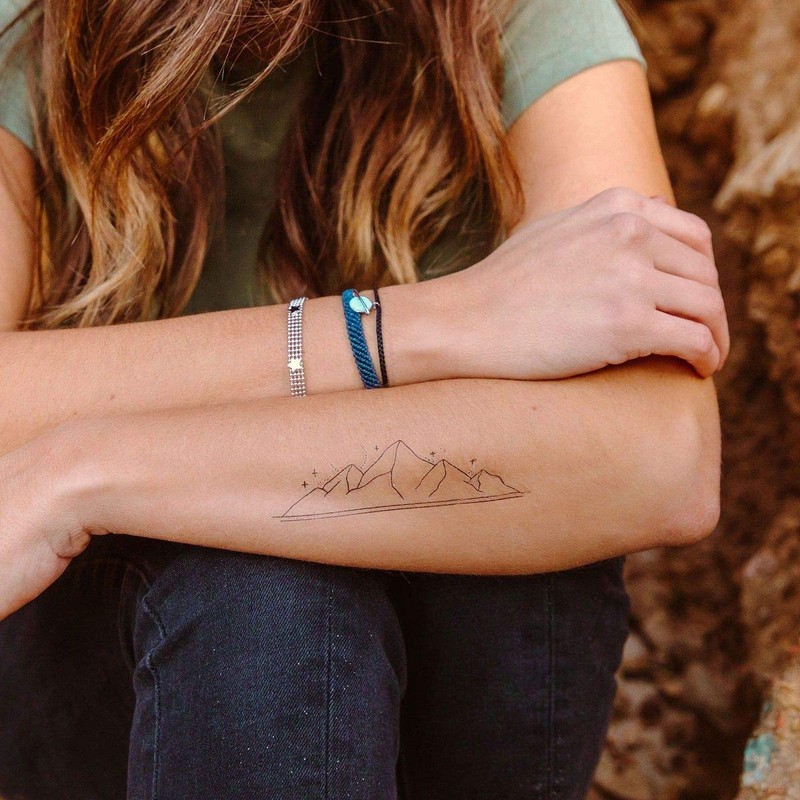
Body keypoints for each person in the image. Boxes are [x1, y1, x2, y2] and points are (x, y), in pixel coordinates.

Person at [0, 0, 728, 798]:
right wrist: (428, 326)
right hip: (108, 699)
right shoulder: (28, 27)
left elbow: (664, 459)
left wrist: (88, 467)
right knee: (261, 597)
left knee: (510, 522)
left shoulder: (519, 18)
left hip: (459, 708)